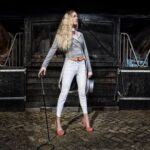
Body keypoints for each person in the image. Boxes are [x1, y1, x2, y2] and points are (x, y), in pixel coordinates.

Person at [38, 10, 93, 136]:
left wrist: (89, 69)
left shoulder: (80, 35)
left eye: (77, 17)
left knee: (82, 93)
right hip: (70, 64)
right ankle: (57, 122)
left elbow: (86, 52)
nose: (76, 18)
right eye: (74, 16)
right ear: (68, 19)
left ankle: (86, 121)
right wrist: (44, 66)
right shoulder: (61, 36)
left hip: (82, 65)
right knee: (64, 93)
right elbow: (52, 51)